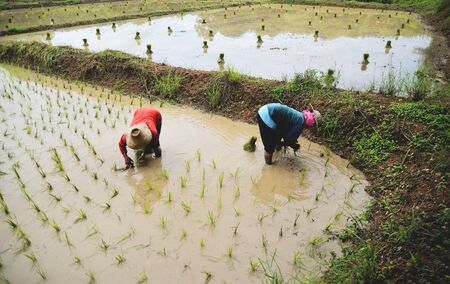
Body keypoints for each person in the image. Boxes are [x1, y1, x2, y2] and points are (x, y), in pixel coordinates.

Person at [257, 103, 321, 165]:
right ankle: (268, 167)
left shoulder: (300, 115)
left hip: (267, 110)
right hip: (267, 116)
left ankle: (276, 151)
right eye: (313, 125)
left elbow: (284, 132)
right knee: (269, 147)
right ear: (312, 123)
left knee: (277, 137)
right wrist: (293, 145)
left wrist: (283, 142)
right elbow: (289, 139)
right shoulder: (301, 122)